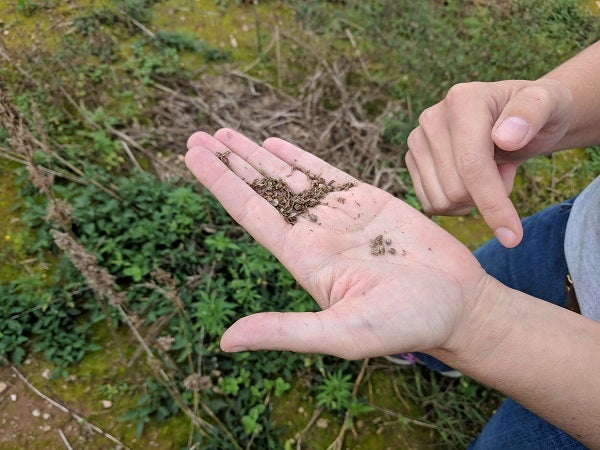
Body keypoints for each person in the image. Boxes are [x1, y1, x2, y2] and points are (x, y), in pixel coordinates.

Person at [184, 40, 600, 448]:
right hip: (570, 235)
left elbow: (473, 310)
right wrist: (556, 102)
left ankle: (441, 342)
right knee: (473, 280)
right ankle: (431, 352)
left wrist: (476, 321)